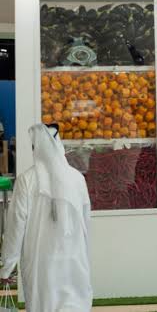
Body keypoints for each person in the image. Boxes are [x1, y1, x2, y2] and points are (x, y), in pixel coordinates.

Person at [0, 123, 92, 311]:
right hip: (74, 261)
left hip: (41, 265)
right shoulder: (77, 179)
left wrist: (6, 267)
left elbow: (16, 227)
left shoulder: (27, 180)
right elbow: (85, 225)